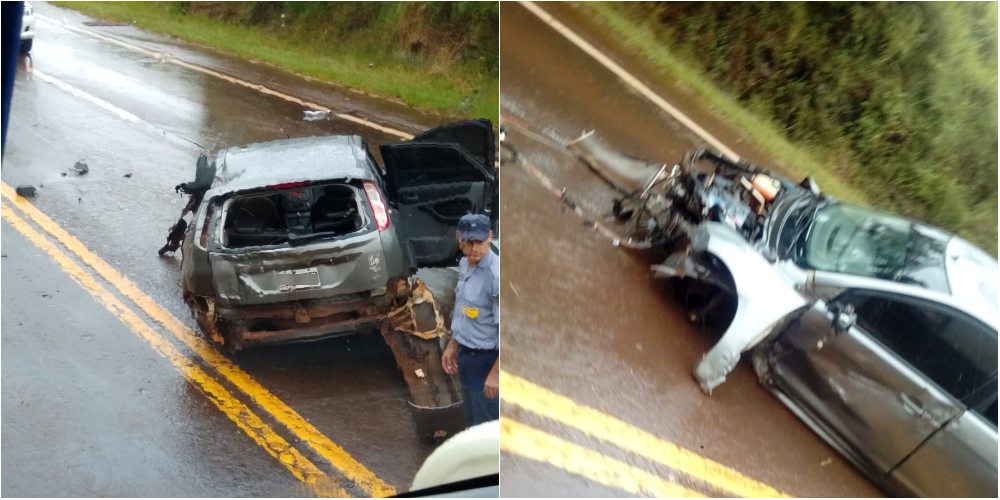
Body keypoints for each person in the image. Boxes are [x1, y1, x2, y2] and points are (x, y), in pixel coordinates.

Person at [442, 213, 499, 427]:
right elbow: (464, 309)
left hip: (488, 362)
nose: (475, 248)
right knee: (472, 421)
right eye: (470, 242)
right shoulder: (465, 265)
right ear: (459, 237)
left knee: (487, 429)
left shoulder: (496, 276)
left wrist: (496, 375)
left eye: (481, 242)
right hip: (467, 358)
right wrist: (453, 344)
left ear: (490, 236)